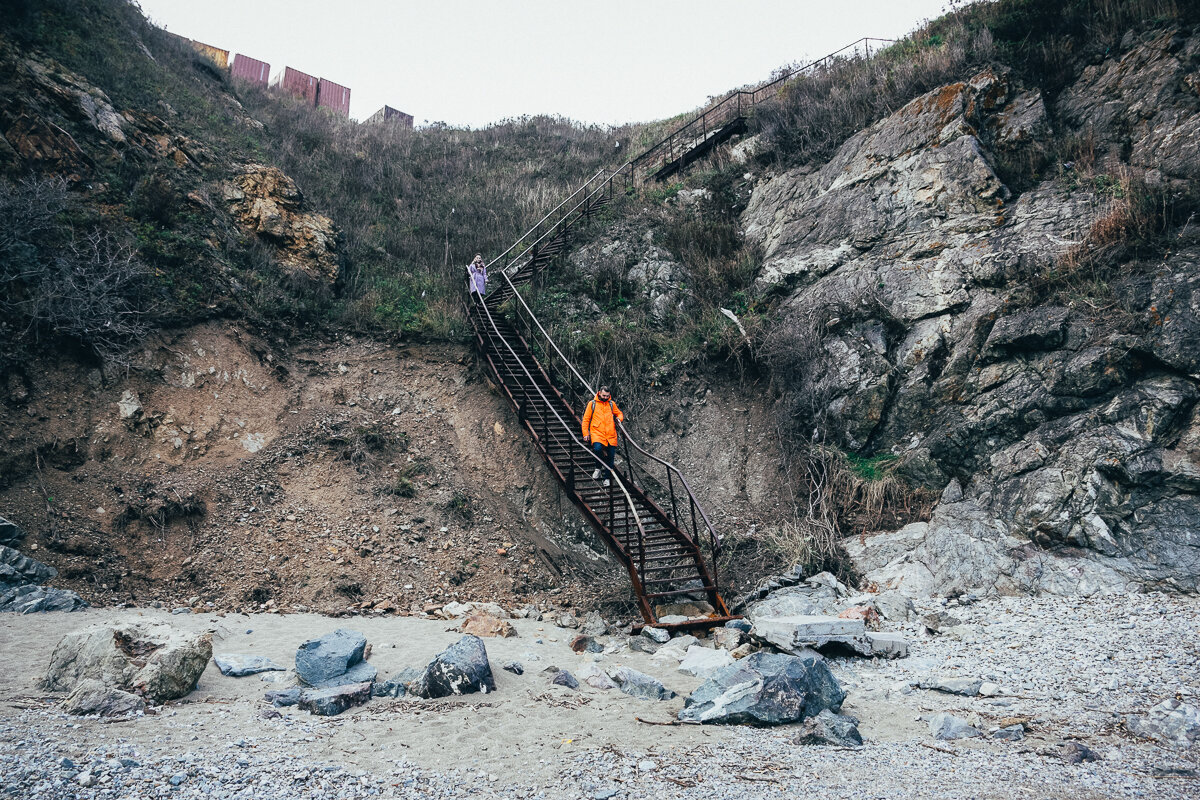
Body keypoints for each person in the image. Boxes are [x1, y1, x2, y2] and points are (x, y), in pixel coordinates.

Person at [581, 385, 624, 487]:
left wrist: (619, 419)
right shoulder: (592, 404)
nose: (605, 397)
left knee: (611, 456)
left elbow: (619, 413)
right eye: (604, 395)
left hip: (610, 434)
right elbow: (586, 420)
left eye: (607, 396)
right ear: (599, 393)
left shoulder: (611, 404)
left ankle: (607, 478)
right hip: (597, 432)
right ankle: (598, 467)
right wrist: (586, 434)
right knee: (597, 448)